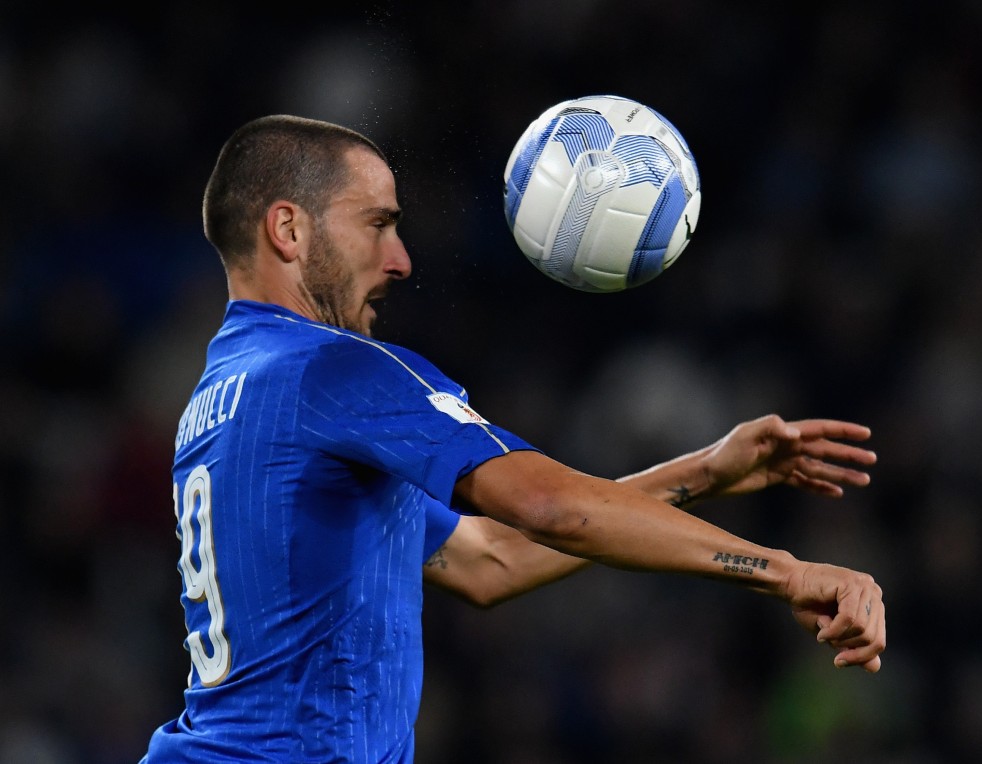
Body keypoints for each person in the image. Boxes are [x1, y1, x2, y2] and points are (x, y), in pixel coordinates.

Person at [140, 115, 885, 763]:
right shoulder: (329, 369)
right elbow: (549, 509)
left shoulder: (221, 399)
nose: (400, 259)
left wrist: (703, 471)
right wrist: (786, 572)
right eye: (377, 223)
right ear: (289, 229)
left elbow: (486, 559)